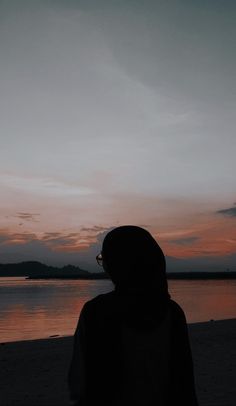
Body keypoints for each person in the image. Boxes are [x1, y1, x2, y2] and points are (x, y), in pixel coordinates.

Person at [68, 225, 198, 406]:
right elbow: (185, 387)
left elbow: (79, 386)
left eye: (105, 259)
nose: (105, 266)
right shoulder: (173, 313)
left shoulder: (96, 312)